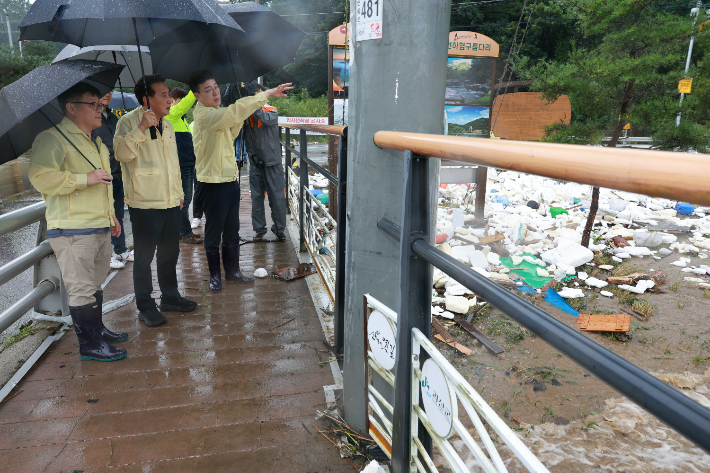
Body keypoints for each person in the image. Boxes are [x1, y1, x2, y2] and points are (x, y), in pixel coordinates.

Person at [29, 82, 127, 362]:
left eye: (100, 104)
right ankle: (90, 345)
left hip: (99, 225)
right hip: (72, 229)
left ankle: (98, 332)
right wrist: (84, 179)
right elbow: (40, 177)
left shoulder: (96, 142)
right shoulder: (53, 138)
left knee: (95, 284)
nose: (100, 109)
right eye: (93, 104)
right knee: (82, 289)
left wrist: (112, 216)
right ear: (72, 108)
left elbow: (105, 184)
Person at [187, 70, 292, 292]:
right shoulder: (205, 116)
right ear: (197, 96)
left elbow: (233, 124)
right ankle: (215, 275)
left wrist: (246, 106)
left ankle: (233, 272)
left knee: (232, 229)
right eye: (208, 90)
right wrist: (267, 94)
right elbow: (233, 113)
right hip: (212, 182)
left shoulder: (218, 113)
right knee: (214, 232)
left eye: (216, 87)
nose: (215, 92)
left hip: (229, 179)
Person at [114, 74, 196, 327]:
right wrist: (141, 128)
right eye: (162, 95)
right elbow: (121, 154)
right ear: (145, 99)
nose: (169, 99)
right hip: (144, 203)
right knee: (144, 257)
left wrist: (180, 193)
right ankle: (145, 305)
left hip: (171, 201)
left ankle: (170, 297)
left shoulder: (168, 124)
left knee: (169, 253)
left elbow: (173, 164)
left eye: (168, 94)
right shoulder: (128, 122)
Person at [92, 92, 132, 269]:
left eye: (109, 90)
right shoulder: (92, 117)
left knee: (117, 215)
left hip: (117, 173)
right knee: (103, 217)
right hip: (101, 175)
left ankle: (120, 250)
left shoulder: (113, 118)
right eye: (101, 91)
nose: (106, 94)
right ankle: (105, 255)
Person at [243, 84, 287, 241]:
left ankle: (279, 229)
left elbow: (265, 120)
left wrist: (255, 106)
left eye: (256, 93)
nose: (254, 96)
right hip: (255, 162)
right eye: (251, 94)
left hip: (272, 162)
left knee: (277, 197)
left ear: (262, 93)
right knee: (256, 197)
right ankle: (259, 230)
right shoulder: (246, 114)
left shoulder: (271, 110)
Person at [165, 87, 203, 244]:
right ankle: (186, 232)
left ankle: (182, 230)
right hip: (180, 165)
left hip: (187, 164)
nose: (182, 107)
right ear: (172, 101)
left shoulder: (182, 120)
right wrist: (195, 89)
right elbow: (186, 104)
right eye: (179, 103)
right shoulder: (172, 114)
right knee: (183, 200)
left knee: (185, 199)